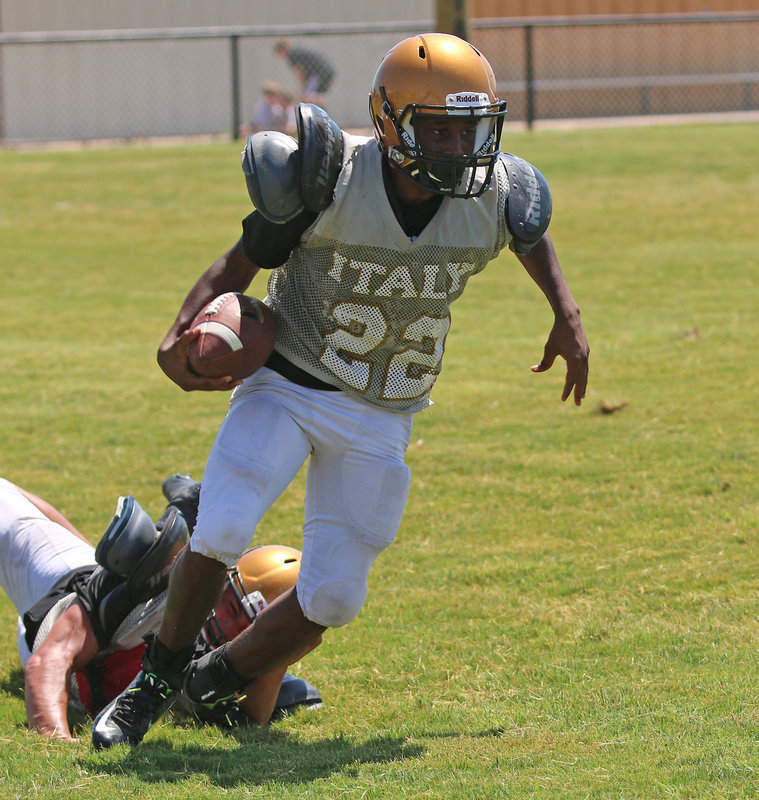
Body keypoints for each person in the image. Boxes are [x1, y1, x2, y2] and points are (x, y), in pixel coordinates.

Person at [93, 32, 589, 749]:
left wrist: (566, 314)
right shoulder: (330, 179)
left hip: (384, 408)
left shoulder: (497, 195)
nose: (460, 148)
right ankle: (154, 683)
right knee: (224, 525)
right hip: (289, 381)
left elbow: (529, 236)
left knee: (333, 598)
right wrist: (179, 335)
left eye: (471, 129)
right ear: (391, 123)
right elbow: (242, 258)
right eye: (440, 130)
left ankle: (211, 681)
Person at [0, 474, 320, 741]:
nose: (226, 625)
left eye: (245, 625)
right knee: (9, 508)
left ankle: (184, 508)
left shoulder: (243, 661)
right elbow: (47, 662)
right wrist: (56, 740)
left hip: (91, 657)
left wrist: (278, 657)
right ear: (222, 580)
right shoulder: (146, 593)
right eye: (230, 605)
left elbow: (245, 723)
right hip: (58, 591)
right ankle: (182, 510)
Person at [274, 39, 335, 107]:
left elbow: (299, 71)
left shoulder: (292, 54)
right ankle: (320, 109)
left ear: (282, 49)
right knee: (315, 96)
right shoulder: (298, 51)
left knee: (306, 97)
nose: (282, 57)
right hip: (326, 71)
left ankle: (318, 109)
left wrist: (302, 88)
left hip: (318, 74)